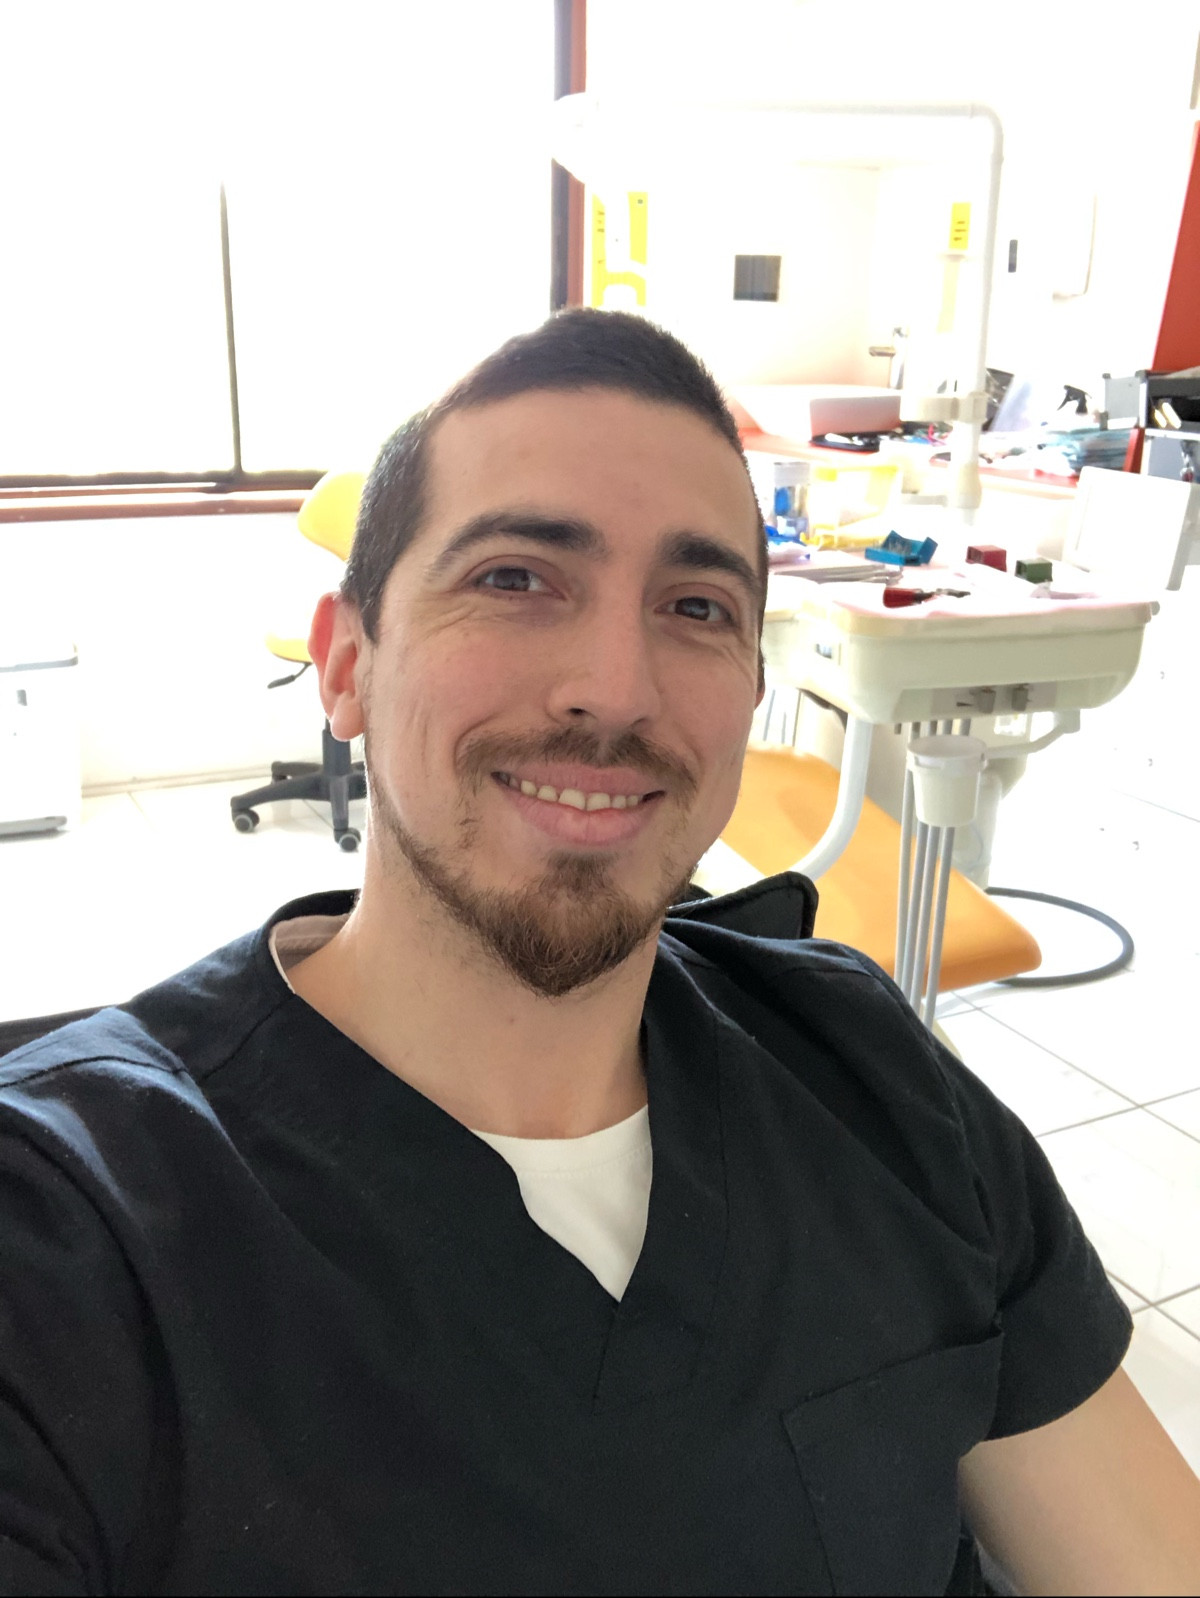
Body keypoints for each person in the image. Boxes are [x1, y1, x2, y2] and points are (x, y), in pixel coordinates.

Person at [1, 310, 1197, 1598]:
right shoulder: (69, 1237)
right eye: (515, 579)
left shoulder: (870, 1071)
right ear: (347, 665)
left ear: (751, 692)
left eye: (695, 606)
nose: (615, 688)